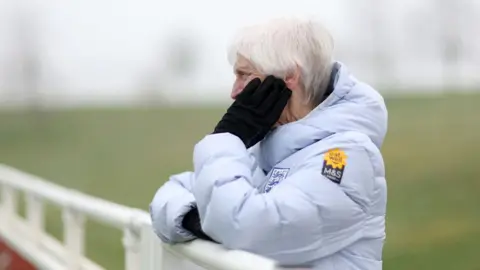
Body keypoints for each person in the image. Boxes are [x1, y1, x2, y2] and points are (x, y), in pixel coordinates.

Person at [150, 17, 388, 269]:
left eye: (244, 74)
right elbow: (171, 193)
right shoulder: (267, 147)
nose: (234, 92)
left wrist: (227, 138)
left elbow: (247, 227)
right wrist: (202, 219)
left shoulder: (347, 157)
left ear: (288, 77)